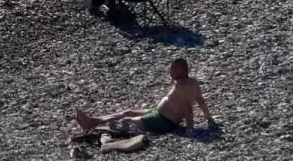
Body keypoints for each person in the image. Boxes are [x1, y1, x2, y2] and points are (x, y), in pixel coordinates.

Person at [74, 58, 216, 136]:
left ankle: (93, 127)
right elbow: (201, 101)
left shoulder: (182, 86)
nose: (170, 71)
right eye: (170, 68)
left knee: (127, 120)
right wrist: (209, 119)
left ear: (183, 70)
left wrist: (189, 130)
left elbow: (188, 109)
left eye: (173, 69)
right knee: (128, 111)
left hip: (163, 121)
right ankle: (94, 121)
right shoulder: (193, 82)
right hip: (158, 113)